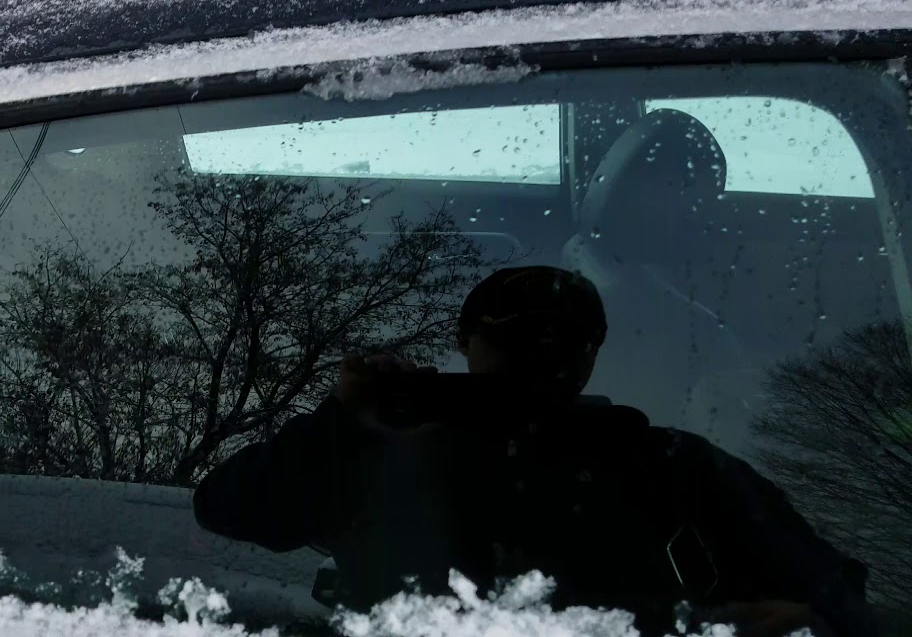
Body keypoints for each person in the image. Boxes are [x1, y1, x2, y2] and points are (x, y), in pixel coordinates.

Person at [192, 266, 875, 637]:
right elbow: (227, 508)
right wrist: (345, 421)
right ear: (465, 342)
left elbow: (831, 596)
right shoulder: (384, 450)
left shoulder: (671, 466)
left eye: (570, 340)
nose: (543, 355)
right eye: (514, 336)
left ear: (592, 355)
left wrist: (789, 623)